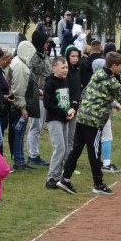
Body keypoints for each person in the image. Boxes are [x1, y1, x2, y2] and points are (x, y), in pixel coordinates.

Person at [55, 51, 121, 196]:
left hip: (82, 117)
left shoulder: (97, 75)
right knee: (95, 153)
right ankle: (98, 184)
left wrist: (80, 109)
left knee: (76, 149)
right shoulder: (112, 82)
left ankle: (65, 179)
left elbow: (84, 93)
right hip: (94, 121)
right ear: (113, 66)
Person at [43, 56, 78, 189]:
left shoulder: (66, 81)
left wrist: (72, 110)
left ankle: (57, 177)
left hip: (66, 118)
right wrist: (63, 113)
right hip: (55, 119)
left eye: (67, 67)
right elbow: (48, 104)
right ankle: (51, 177)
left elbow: (72, 97)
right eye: (62, 67)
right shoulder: (50, 83)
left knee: (64, 149)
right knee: (60, 148)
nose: (65, 70)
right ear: (54, 68)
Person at [6, 39, 35, 171]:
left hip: (19, 104)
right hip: (18, 106)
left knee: (20, 133)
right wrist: (23, 107)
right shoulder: (20, 66)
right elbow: (18, 89)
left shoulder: (20, 63)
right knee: (18, 132)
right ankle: (18, 161)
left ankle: (21, 160)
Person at [26, 28, 51, 167]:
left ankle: (34, 153)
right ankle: (33, 155)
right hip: (37, 97)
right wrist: (37, 90)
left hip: (46, 95)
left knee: (40, 126)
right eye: (45, 42)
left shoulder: (45, 56)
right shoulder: (33, 57)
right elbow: (29, 76)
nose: (48, 44)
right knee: (35, 126)